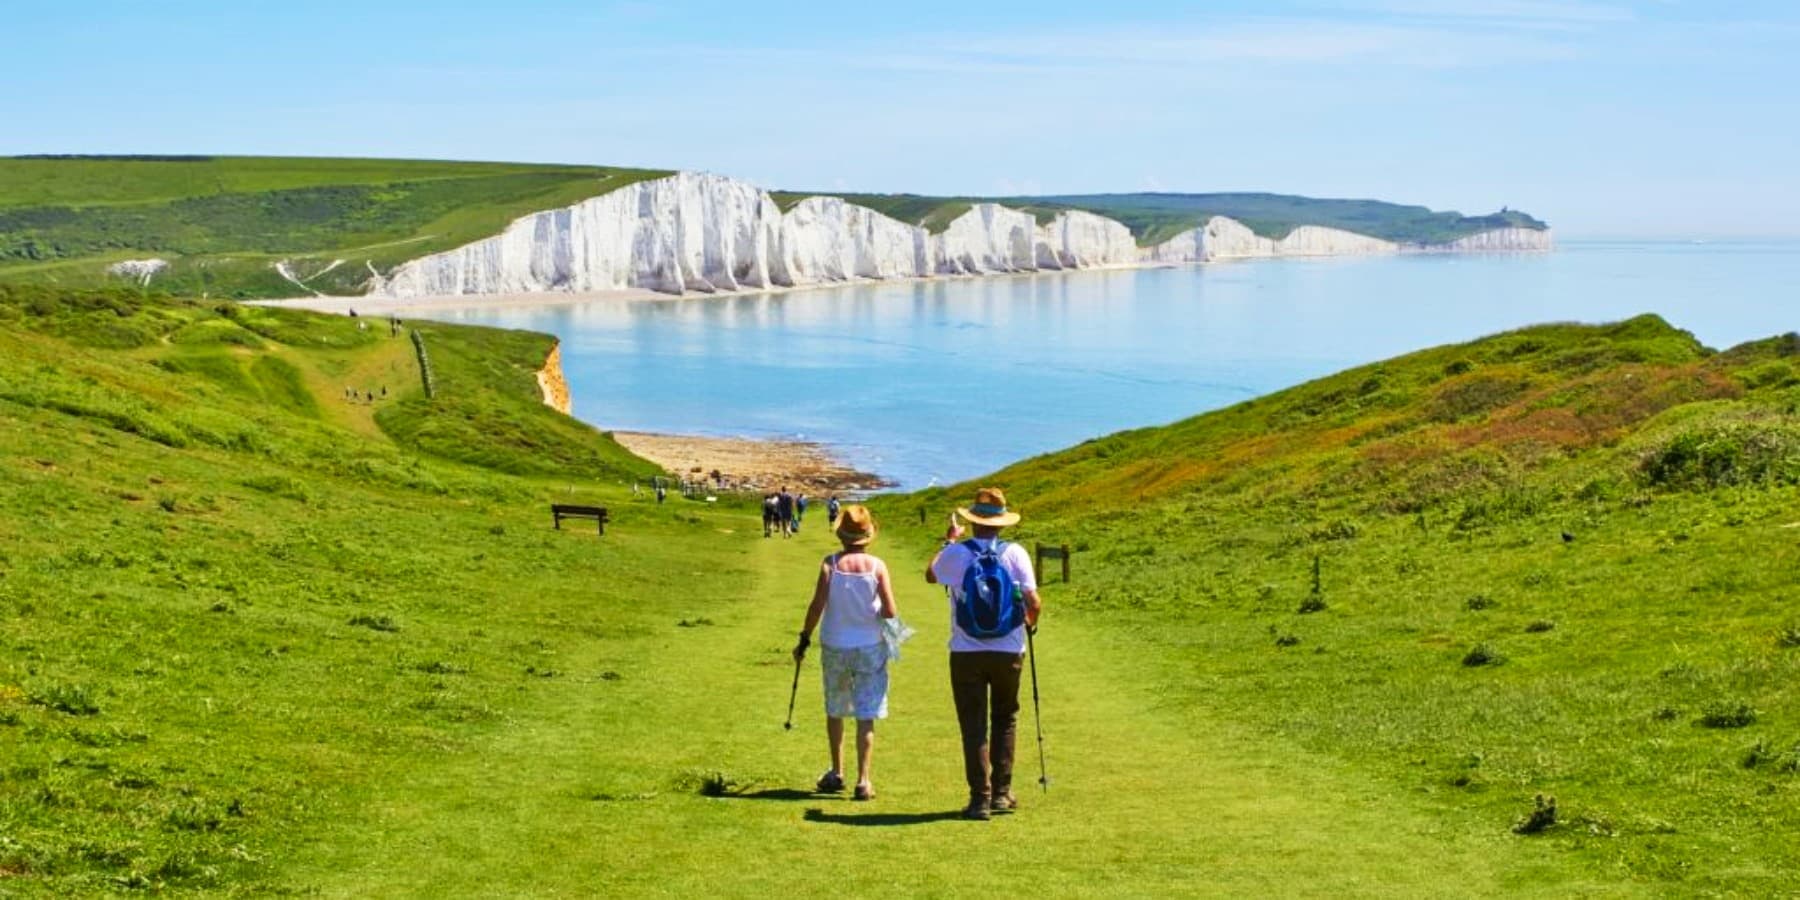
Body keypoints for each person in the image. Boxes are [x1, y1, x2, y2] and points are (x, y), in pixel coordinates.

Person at [926, 487, 1042, 821]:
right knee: (1005, 719)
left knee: (973, 725)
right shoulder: (1015, 553)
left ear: (972, 523)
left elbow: (931, 574)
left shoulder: (958, 554)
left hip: (966, 651)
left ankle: (980, 799)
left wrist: (949, 541)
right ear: (1002, 523)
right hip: (1009, 649)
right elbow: (1034, 602)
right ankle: (1002, 794)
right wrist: (1029, 625)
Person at [793, 505, 898, 801]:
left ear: (842, 535)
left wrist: (804, 639)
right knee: (866, 713)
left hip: (835, 644)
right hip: (870, 645)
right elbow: (890, 611)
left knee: (835, 708)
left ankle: (837, 771)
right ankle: (864, 780)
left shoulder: (830, 564)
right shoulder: (877, 566)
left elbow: (816, 606)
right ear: (867, 536)